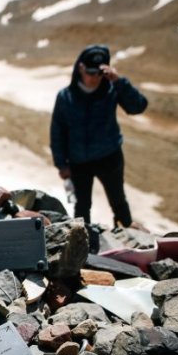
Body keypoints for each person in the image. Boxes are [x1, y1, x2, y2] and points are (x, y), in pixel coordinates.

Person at [50, 44, 148, 228]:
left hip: (109, 157)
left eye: (99, 73)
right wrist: (61, 164)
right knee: (82, 207)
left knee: (118, 202)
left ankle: (127, 239)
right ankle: (82, 245)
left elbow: (138, 106)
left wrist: (119, 82)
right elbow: (58, 131)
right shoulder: (66, 96)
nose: (94, 78)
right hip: (79, 161)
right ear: (81, 68)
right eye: (90, 72)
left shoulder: (111, 90)